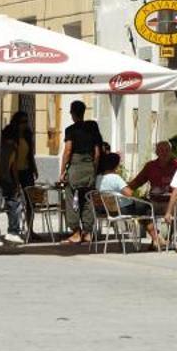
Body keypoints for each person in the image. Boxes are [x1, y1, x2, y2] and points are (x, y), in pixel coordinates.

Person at [94, 151, 166, 250]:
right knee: (147, 206)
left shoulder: (98, 178)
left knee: (143, 209)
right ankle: (156, 238)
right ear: (115, 165)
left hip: (106, 210)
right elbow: (129, 193)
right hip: (121, 209)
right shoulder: (115, 178)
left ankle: (156, 239)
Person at [58, 101, 106, 245]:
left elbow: (67, 151)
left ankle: (75, 232)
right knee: (88, 198)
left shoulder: (70, 130)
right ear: (84, 112)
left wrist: (62, 172)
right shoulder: (93, 129)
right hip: (90, 165)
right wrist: (94, 169)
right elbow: (97, 153)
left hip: (76, 165)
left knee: (71, 196)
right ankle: (87, 232)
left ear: (72, 113)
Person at [0, 113, 35, 245]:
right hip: (12, 170)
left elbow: (30, 153)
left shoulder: (27, 135)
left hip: (26, 170)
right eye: (22, 122)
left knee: (30, 202)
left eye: (26, 122)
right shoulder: (9, 134)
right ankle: (13, 229)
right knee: (14, 200)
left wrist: (34, 167)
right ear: (16, 122)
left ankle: (30, 229)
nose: (24, 125)